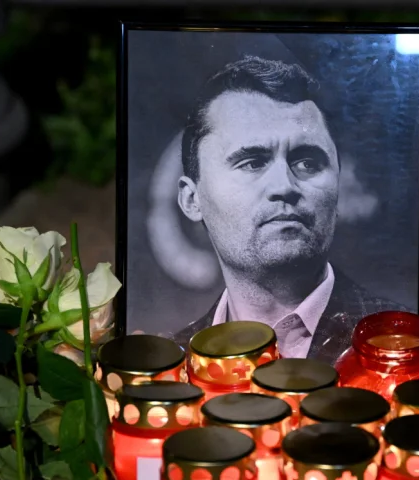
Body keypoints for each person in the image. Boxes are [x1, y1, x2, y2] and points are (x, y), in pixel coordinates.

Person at [168, 55, 404, 362]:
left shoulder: (403, 348)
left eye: (307, 163)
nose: (284, 185)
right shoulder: (170, 367)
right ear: (191, 199)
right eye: (252, 162)